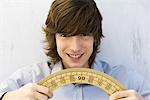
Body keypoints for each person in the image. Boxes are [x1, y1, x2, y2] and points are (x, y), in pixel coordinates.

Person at [0, 0, 150, 99]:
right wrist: (9, 97)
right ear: (54, 38)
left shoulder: (128, 81)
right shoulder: (29, 78)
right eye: (65, 35)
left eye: (84, 34)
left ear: (95, 38)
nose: (75, 47)